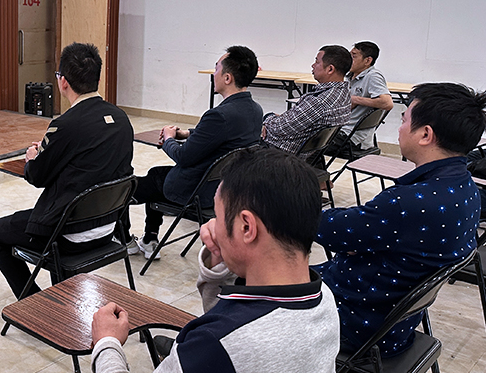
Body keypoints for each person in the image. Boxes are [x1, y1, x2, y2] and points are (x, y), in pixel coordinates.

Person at [91, 148, 340, 373]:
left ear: (246, 227)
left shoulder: (214, 346)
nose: (210, 227)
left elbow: (228, 338)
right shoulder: (325, 297)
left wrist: (107, 343)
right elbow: (231, 318)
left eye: (218, 217)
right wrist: (218, 262)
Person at [315, 82, 485, 356]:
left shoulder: (408, 202)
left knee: (261, 279)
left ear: (425, 134)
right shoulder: (466, 188)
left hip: (354, 320)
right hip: (394, 320)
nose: (399, 128)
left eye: (404, 120)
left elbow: (328, 229)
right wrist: (363, 240)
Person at [0, 42, 133, 298]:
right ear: (97, 79)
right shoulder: (121, 119)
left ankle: (34, 303)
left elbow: (37, 177)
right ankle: (58, 299)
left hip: (68, 234)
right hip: (108, 227)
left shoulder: (65, 125)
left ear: (63, 82)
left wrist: (33, 158)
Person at [128, 46, 263, 259]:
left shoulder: (219, 115)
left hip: (197, 192)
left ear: (227, 78)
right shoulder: (255, 110)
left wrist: (169, 139)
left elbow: (183, 156)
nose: (214, 73)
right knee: (157, 175)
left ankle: (125, 239)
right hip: (226, 188)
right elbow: (220, 137)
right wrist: (187, 133)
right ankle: (149, 239)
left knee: (131, 186)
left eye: (216, 68)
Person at [262, 45, 352, 158]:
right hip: (311, 154)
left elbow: (280, 129)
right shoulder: (343, 93)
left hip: (283, 153)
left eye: (317, 62)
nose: (313, 65)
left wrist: (267, 118)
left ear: (330, 69)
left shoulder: (320, 101)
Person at [326, 41, 394, 156]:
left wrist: (356, 99)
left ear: (367, 61)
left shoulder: (373, 76)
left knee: (311, 145)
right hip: (341, 130)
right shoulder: (350, 76)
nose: (349, 60)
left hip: (351, 137)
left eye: (353, 56)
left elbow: (387, 103)